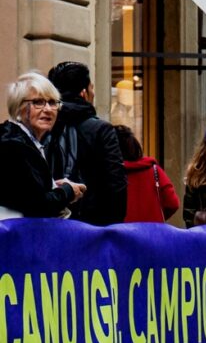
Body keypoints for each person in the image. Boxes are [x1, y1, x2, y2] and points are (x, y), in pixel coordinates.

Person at [44, 61, 125, 225]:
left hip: (48, 225)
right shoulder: (102, 130)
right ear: (84, 93)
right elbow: (116, 188)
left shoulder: (41, 126)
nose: (93, 94)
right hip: (92, 229)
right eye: (92, 88)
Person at [0, 72, 85, 220]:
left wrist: (53, 187)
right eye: (38, 102)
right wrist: (67, 191)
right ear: (18, 107)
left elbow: (27, 193)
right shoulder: (13, 145)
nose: (48, 109)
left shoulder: (27, 141)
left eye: (52, 102)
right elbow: (37, 206)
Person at [115, 124, 179, 223]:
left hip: (121, 235)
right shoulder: (154, 170)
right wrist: (156, 217)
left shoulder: (109, 175)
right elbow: (173, 203)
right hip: (153, 234)